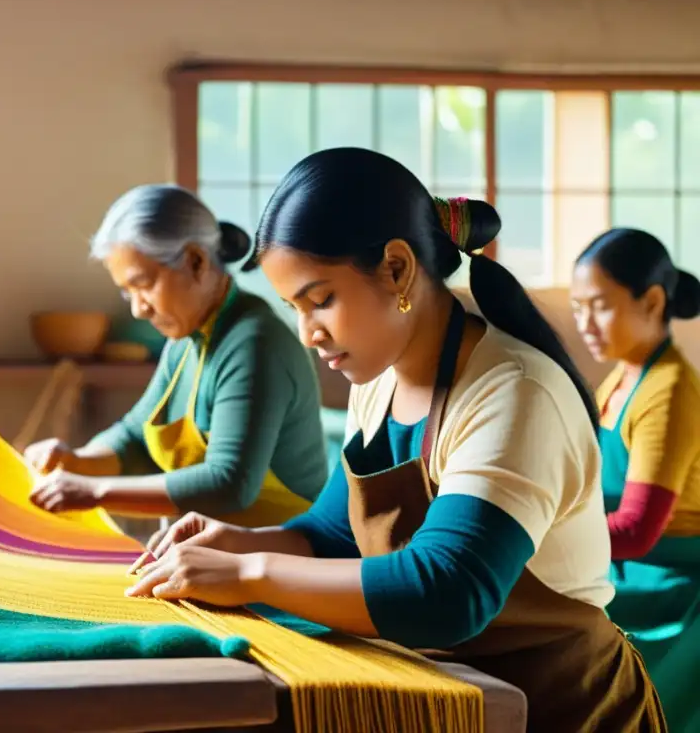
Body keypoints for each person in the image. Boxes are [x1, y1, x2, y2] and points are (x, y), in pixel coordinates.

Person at [125, 148, 666, 732]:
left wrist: (251, 574)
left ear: (397, 269)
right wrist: (238, 541)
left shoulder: (515, 391)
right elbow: (334, 535)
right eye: (294, 309)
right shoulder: (379, 379)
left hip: (562, 709)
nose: (308, 334)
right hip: (450, 697)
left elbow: (447, 592)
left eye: (321, 300)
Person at [25, 184, 327, 528]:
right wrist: (75, 460)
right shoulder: (186, 340)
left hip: (284, 559)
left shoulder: (255, 343)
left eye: (145, 285)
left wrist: (93, 490)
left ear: (195, 262)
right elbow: (134, 437)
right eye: (128, 293)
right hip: (218, 556)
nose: (139, 309)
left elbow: (229, 484)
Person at [571, 228, 700, 732]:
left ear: (650, 301)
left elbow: (638, 529)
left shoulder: (668, 391)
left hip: (669, 584)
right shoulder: (624, 376)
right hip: (626, 563)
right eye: (578, 307)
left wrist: (542, 537)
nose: (584, 323)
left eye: (598, 306)